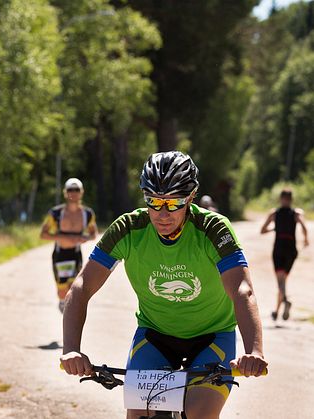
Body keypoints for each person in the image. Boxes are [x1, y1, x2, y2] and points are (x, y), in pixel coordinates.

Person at [60, 151, 267, 419]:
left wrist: (255, 351)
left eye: (174, 203)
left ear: (191, 197)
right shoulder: (128, 228)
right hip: (155, 335)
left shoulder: (213, 228)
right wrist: (71, 349)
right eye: (154, 202)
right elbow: (82, 287)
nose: (162, 213)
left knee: (199, 414)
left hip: (212, 336)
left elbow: (242, 289)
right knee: (139, 414)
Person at [40, 178, 97, 313]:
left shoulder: (87, 214)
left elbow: (93, 234)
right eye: (70, 190)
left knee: (74, 288)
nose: (73, 193)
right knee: (61, 290)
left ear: (81, 192)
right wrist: (65, 237)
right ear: (65, 193)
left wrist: (83, 238)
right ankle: (62, 303)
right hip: (60, 254)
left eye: (76, 190)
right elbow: (43, 234)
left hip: (75, 254)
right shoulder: (56, 213)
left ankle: (69, 315)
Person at [260, 188, 308, 321]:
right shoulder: (296, 213)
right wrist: (306, 239)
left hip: (279, 248)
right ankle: (276, 310)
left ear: (280, 199)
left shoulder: (274, 213)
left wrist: (273, 228)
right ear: (291, 200)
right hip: (291, 250)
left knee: (280, 281)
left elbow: (262, 230)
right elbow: (304, 227)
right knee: (283, 281)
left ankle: (286, 300)